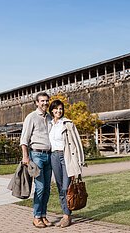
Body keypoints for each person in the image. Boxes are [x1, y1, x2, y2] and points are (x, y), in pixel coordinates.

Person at [48, 99, 85, 228]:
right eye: (56, 109)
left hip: (66, 156)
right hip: (54, 156)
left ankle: (67, 216)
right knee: (60, 187)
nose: (59, 111)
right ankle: (66, 214)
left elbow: (77, 143)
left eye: (61, 109)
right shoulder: (49, 124)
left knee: (66, 187)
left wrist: (79, 162)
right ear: (52, 110)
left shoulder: (68, 123)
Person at [20, 92, 53, 228]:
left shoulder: (50, 117)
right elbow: (24, 139)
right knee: (40, 187)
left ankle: (43, 215)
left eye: (46, 101)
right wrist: (25, 157)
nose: (45, 103)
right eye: (42, 101)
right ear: (37, 103)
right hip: (37, 155)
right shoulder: (31, 117)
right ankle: (36, 216)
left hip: (49, 155)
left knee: (47, 188)